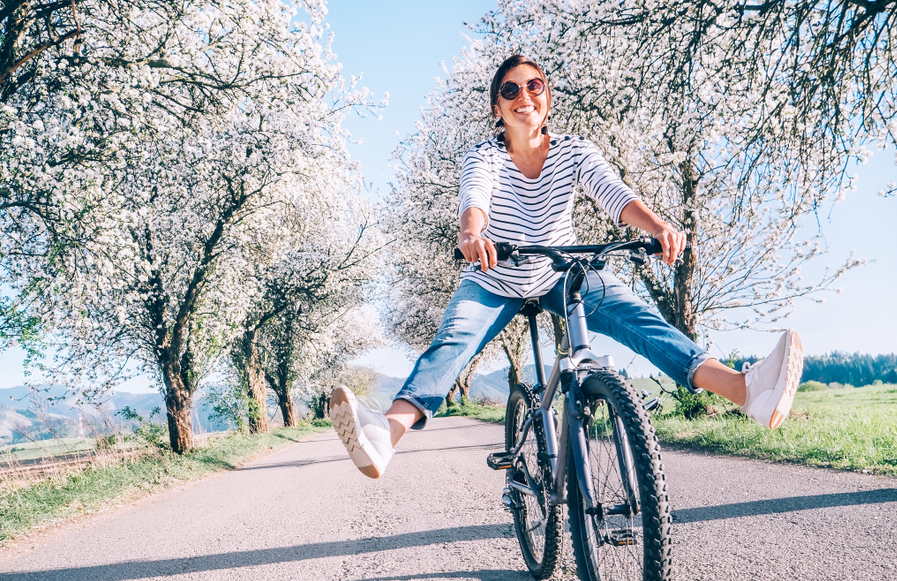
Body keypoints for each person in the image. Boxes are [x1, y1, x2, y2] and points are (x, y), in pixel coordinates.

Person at [329, 54, 803, 479]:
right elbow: (475, 201)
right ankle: (384, 436)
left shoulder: (575, 151)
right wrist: (472, 235)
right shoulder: (486, 156)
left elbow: (613, 193)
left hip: (562, 272)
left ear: (547, 98)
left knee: (640, 320)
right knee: (452, 342)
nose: (523, 96)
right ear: (498, 107)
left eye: (534, 86)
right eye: (510, 90)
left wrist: (657, 226)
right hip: (496, 276)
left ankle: (745, 390)